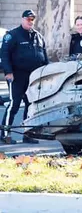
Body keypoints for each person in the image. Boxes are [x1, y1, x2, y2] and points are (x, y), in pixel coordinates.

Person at [1, 10, 49, 144]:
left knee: (31, 105)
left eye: (32, 19)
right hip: (16, 76)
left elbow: (44, 57)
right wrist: (8, 72)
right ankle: (5, 134)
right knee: (14, 104)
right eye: (28, 19)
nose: (30, 22)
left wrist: (46, 73)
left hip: (33, 78)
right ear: (22, 19)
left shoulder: (38, 36)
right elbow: (4, 54)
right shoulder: (12, 35)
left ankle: (28, 134)